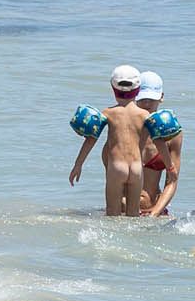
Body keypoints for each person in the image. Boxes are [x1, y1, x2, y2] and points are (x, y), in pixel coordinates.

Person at [69, 63, 152, 217]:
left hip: (116, 167)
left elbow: (90, 140)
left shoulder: (108, 113)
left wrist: (78, 164)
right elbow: (159, 140)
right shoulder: (145, 115)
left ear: (113, 89)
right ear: (138, 90)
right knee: (134, 214)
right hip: (136, 167)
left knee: (112, 213)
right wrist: (170, 167)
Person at [136, 70, 181, 218]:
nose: (146, 103)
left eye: (151, 98)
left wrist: (153, 215)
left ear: (161, 97)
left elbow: (172, 181)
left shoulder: (172, 134)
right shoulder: (125, 128)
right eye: (142, 98)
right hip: (122, 210)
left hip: (154, 210)